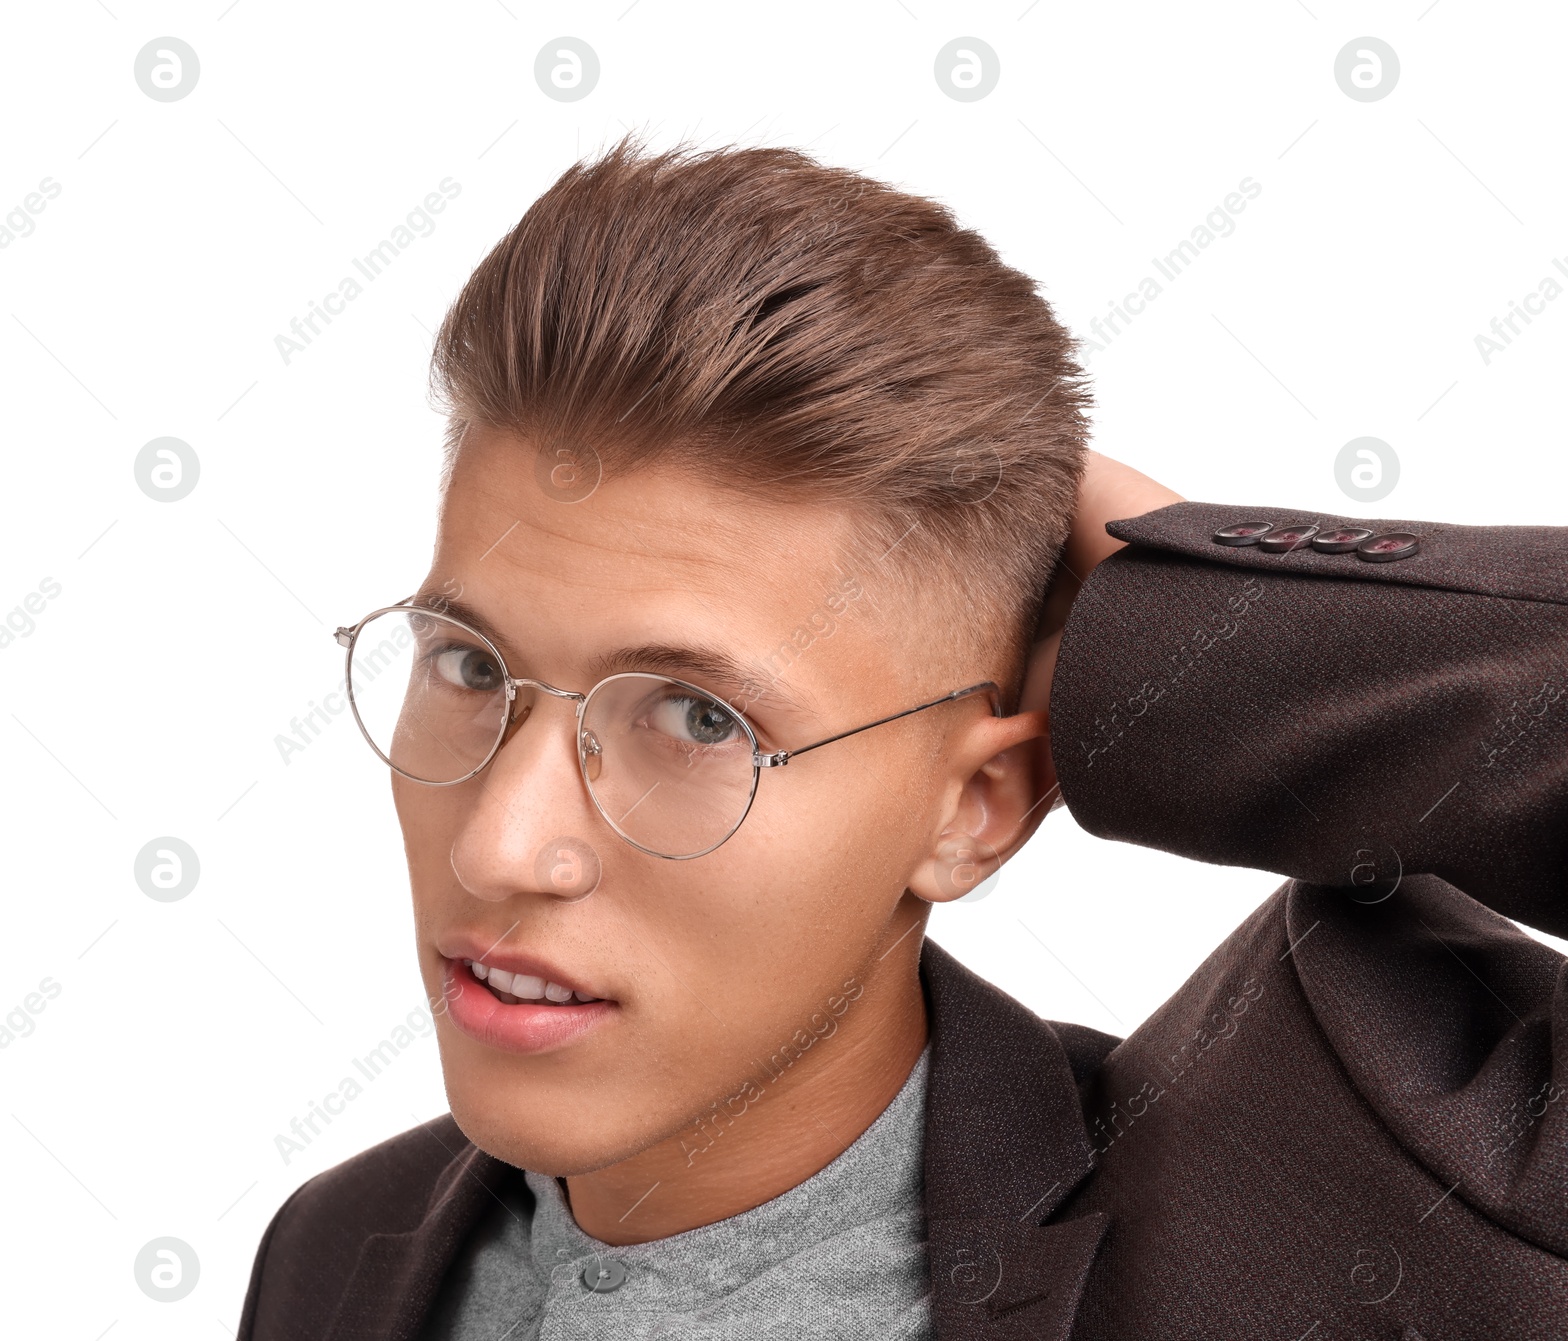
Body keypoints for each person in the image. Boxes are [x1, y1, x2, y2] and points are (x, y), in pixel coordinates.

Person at [237, 139, 1568, 1341]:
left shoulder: (1297, 1213)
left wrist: (1211, 624)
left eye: (700, 718)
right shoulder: (335, 1251)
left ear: (978, 805)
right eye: (470, 665)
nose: (500, 841)